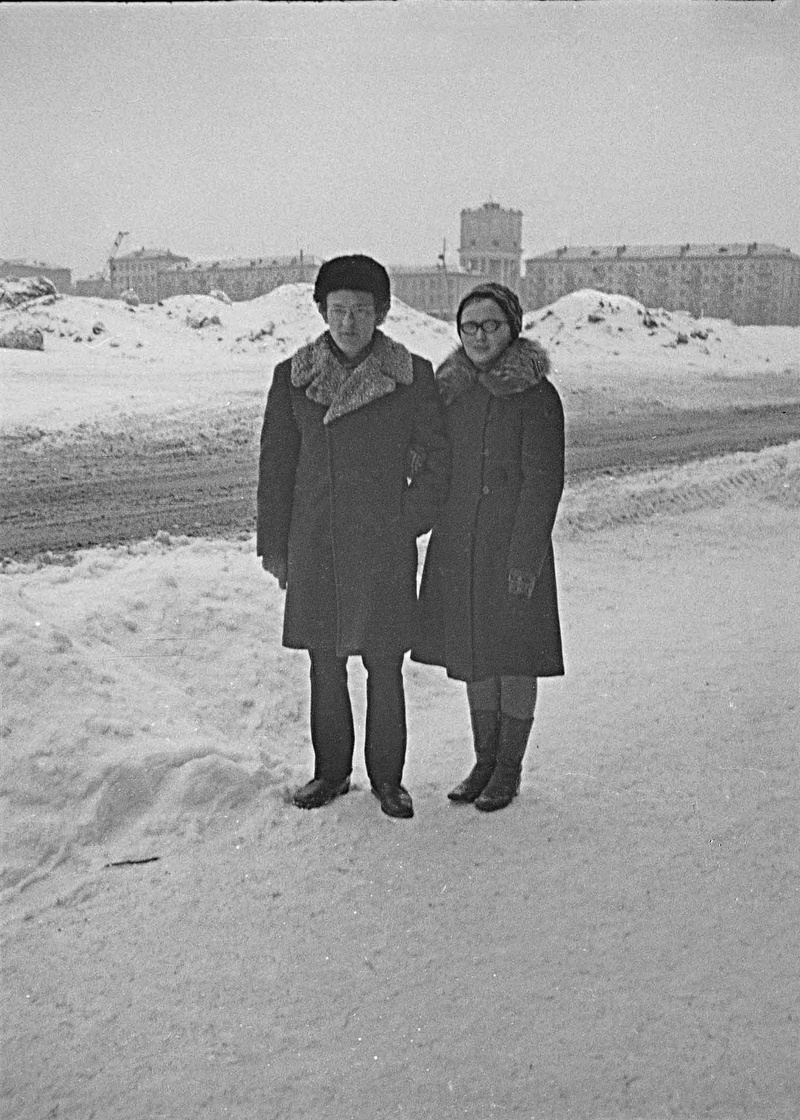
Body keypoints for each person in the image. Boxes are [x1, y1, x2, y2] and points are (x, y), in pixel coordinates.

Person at [257, 255, 448, 819]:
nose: (348, 322)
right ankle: (331, 773)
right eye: (338, 309)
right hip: (315, 540)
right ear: (321, 311)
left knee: (384, 664)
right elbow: (276, 467)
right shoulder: (293, 376)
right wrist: (275, 546)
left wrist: (407, 519)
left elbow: (437, 460)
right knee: (324, 662)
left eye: (361, 310)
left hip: (383, 543)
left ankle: (388, 779)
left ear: (382, 313)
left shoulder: (411, 375)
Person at [412, 282, 565, 811]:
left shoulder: (536, 395)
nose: (479, 336)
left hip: (512, 546)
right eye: (469, 326)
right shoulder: (450, 392)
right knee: (475, 654)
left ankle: (509, 767)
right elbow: (435, 463)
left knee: (514, 657)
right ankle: (484, 760)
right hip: (459, 544)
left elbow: (543, 482)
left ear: (512, 328)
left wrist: (526, 560)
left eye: (490, 325)